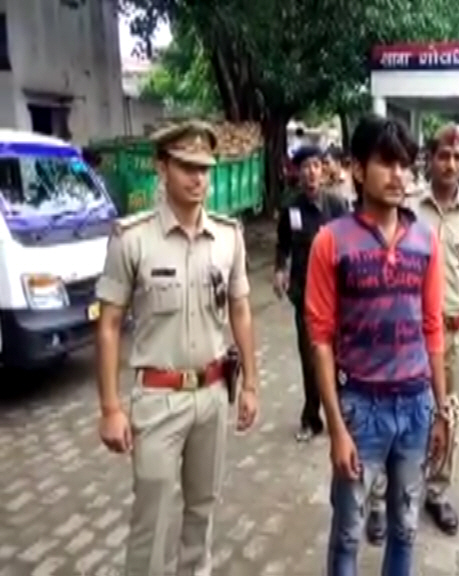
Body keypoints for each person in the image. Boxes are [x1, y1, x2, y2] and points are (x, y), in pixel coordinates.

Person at [94, 120, 260, 575]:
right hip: (157, 398)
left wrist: (251, 385)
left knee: (203, 509)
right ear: (161, 167)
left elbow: (241, 310)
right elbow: (108, 325)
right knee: (151, 518)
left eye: (204, 168)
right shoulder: (132, 238)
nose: (197, 178)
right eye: (186, 166)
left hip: (212, 395)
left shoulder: (228, 236)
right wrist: (110, 408)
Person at [304, 114, 449, 576]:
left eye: (405, 165)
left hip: (416, 406)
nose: (398, 175)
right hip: (360, 408)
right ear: (357, 169)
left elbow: (433, 328)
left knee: (405, 528)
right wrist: (336, 427)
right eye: (386, 163)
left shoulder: (426, 241)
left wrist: (441, 410)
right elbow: (320, 339)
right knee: (348, 532)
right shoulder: (331, 242)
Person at [366, 123, 459, 541]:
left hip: (455, 335)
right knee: (392, 413)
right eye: (443, 155)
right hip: (407, 334)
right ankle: (380, 500)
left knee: (449, 413)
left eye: (458, 157)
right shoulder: (408, 207)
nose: (450, 164)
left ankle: (437, 492)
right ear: (430, 159)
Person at [274, 145, 348, 442]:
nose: (311, 172)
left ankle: (341, 415)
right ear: (298, 172)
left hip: (337, 295)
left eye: (316, 166)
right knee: (310, 358)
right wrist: (280, 269)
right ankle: (311, 418)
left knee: (340, 357)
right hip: (305, 296)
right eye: (305, 167)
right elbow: (282, 244)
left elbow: (351, 243)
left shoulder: (337, 205)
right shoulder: (291, 208)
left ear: (323, 170)